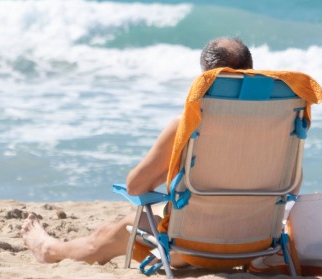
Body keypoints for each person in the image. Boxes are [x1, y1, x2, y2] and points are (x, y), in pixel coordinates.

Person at [20, 36, 254, 264]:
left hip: (194, 246)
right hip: (255, 242)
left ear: (205, 77)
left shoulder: (187, 126)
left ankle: (48, 249)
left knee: (121, 228)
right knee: (117, 226)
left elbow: (136, 186)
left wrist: (174, 163)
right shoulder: (283, 124)